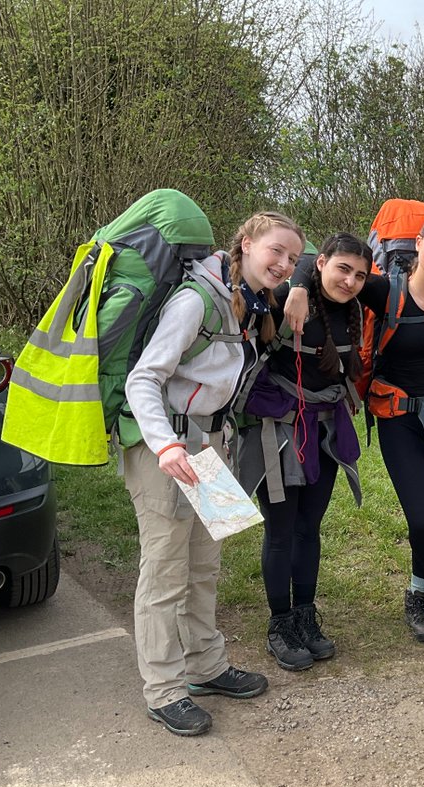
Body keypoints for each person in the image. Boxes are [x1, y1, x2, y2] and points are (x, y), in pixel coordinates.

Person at [124, 211, 304, 736]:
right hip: (168, 447)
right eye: (275, 251)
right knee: (164, 571)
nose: (284, 264)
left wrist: (299, 287)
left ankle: (205, 666)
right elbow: (143, 379)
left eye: (292, 258)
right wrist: (164, 446)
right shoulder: (193, 300)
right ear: (245, 244)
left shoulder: (248, 302)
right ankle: (163, 691)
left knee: (205, 563)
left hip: (212, 444)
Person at [287, 211, 424, 643]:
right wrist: (298, 285)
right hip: (399, 421)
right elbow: (321, 259)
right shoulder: (382, 290)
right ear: (419, 241)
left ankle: (416, 590)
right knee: (421, 516)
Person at [236, 233, 373, 672]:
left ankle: (304, 616)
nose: (350, 281)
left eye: (359, 275)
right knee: (280, 528)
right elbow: (292, 262)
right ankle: (280, 624)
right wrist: (294, 285)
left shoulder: (353, 309)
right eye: (342, 269)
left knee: (308, 526)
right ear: (321, 264)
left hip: (325, 431)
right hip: (277, 432)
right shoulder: (281, 298)